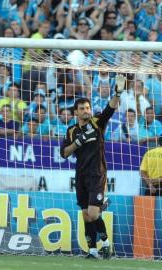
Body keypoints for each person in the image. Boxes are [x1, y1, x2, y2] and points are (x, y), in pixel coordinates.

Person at [60, 74, 127, 259]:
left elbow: (110, 109)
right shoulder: (71, 131)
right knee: (85, 215)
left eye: (88, 107)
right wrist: (78, 142)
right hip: (81, 175)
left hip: (97, 173)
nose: (86, 111)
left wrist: (118, 93)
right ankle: (92, 250)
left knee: (93, 213)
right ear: (76, 113)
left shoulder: (97, 122)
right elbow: (64, 153)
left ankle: (106, 243)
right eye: (82, 109)